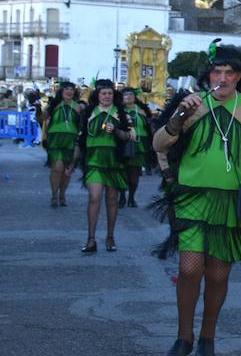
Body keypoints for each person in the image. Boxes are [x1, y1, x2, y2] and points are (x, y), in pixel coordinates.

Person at [152, 44, 241, 356]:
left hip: (231, 202)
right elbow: (159, 144)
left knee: (219, 274)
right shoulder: (191, 105)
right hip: (192, 198)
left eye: (229, 73)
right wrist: (179, 116)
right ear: (208, 76)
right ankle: (184, 337)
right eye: (216, 72)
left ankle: (208, 335)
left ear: (239, 77)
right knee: (189, 269)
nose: (222, 78)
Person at [74, 80, 136, 253]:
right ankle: (91, 239)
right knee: (94, 197)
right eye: (103, 93)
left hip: (114, 162)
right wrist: (72, 163)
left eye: (109, 93)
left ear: (113, 95)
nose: (107, 96)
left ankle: (110, 236)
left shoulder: (122, 114)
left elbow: (131, 136)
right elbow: (81, 139)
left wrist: (116, 130)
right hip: (94, 161)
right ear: (97, 95)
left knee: (111, 200)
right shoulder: (89, 113)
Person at [39, 81, 80, 207]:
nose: (69, 91)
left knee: (67, 170)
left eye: (71, 89)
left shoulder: (78, 106)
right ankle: (54, 195)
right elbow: (41, 119)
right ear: (61, 91)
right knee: (57, 168)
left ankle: (62, 195)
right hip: (56, 140)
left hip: (71, 140)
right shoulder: (53, 104)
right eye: (66, 89)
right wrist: (40, 110)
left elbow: (82, 124)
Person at [120, 88, 155, 207]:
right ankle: (121, 197)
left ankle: (131, 197)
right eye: (125, 95)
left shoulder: (142, 110)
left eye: (130, 94)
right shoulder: (118, 110)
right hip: (123, 144)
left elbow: (148, 127)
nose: (128, 97)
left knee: (134, 176)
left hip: (140, 145)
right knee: (123, 172)